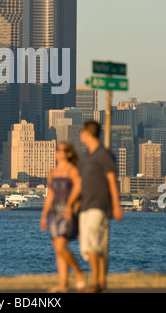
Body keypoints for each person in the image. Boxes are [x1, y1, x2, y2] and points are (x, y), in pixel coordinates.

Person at [65, 121, 123, 293]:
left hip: (99, 205)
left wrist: (116, 205)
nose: (80, 135)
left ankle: (97, 283)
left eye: (82, 131)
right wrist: (71, 203)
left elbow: (112, 181)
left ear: (87, 133)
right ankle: (99, 283)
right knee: (88, 247)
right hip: (85, 207)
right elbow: (79, 184)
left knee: (93, 245)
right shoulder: (84, 157)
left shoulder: (104, 155)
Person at [40, 142, 85, 293]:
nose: (59, 152)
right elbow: (50, 194)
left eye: (62, 150)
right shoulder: (52, 172)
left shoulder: (72, 170)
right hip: (54, 212)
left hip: (68, 210)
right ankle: (63, 284)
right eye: (57, 150)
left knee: (61, 246)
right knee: (57, 249)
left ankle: (79, 274)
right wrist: (44, 216)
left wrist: (70, 206)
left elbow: (78, 188)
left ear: (69, 153)